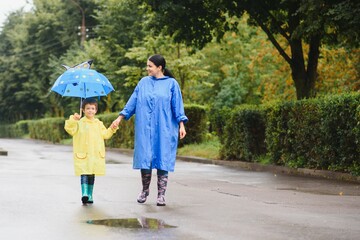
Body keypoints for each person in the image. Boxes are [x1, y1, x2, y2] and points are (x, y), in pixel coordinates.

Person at [112, 54, 188, 206]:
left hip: (165, 127)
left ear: (159, 67)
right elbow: (132, 101)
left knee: (162, 158)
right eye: (147, 66)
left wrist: (181, 124)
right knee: (145, 158)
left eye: (150, 66)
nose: (147, 69)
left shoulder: (172, 84)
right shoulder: (143, 83)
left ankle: (161, 195)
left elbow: (177, 106)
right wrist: (120, 118)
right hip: (145, 128)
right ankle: (145, 190)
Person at [65, 98, 118, 205]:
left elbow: (106, 134)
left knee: (91, 174)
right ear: (83, 110)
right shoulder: (79, 123)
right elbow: (70, 129)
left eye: (92, 108)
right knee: (84, 172)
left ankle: (90, 195)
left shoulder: (98, 124)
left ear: (96, 110)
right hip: (83, 154)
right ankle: (84, 194)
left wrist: (112, 128)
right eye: (87, 108)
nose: (90, 110)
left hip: (95, 155)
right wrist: (73, 120)